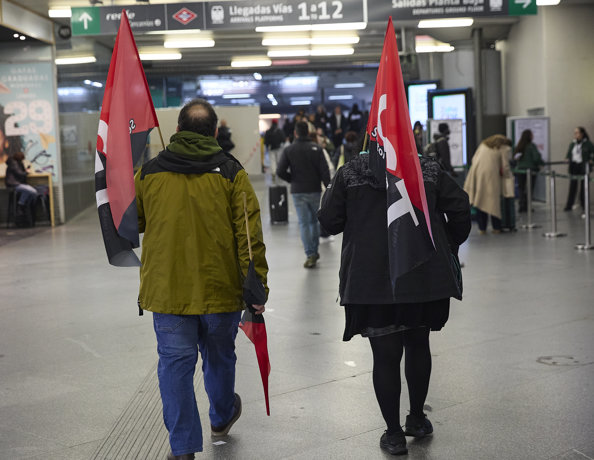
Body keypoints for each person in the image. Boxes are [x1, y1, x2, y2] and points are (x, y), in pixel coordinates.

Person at [133, 99, 268, 460]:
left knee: (175, 368)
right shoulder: (231, 173)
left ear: (176, 132)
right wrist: (257, 286)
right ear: (214, 133)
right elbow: (249, 238)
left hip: (168, 292)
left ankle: (183, 449)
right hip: (220, 291)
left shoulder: (148, 173)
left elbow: (135, 223)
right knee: (220, 357)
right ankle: (221, 417)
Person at [318, 151, 471, 456]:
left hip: (371, 279)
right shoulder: (427, 167)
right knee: (417, 343)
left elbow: (330, 221)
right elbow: (461, 208)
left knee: (385, 355)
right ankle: (416, 418)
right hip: (422, 275)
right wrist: (447, 243)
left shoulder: (351, 172)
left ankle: (393, 435)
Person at [277, 121, 330, 268]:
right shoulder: (317, 149)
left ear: (295, 133)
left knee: (304, 223)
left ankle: (310, 254)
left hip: (298, 191)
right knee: (314, 221)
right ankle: (314, 251)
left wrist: (292, 180)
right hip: (314, 190)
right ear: (307, 132)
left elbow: (280, 171)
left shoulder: (289, 150)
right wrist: (330, 189)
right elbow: (324, 172)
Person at [464, 135, 511, 234]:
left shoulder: (483, 146)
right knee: (494, 203)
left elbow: (473, 160)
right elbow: (505, 166)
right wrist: (508, 176)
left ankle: (482, 229)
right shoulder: (502, 148)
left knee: (480, 202)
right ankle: (496, 228)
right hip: (492, 178)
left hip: (478, 177)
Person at [563, 126, 594, 212]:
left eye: (577, 133)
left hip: (583, 166)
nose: (575, 135)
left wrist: (591, 160)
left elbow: (592, 153)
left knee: (584, 187)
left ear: (582, 134)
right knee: (573, 186)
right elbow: (569, 153)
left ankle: (584, 205)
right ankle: (569, 205)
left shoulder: (588, 143)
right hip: (574, 166)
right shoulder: (572, 143)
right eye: (575, 133)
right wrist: (567, 158)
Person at [514, 129, 544, 213]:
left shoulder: (519, 146)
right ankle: (527, 206)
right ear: (529, 136)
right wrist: (541, 163)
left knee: (521, 188)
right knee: (529, 188)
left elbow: (515, 157)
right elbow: (536, 158)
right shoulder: (531, 146)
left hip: (520, 170)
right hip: (531, 170)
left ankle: (521, 205)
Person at [5, 152, 39, 226]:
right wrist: (26, 172)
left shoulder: (16, 163)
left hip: (17, 184)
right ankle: (22, 206)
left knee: (30, 192)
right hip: (14, 185)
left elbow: (21, 173)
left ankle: (23, 206)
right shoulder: (13, 163)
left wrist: (25, 170)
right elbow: (20, 173)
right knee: (33, 191)